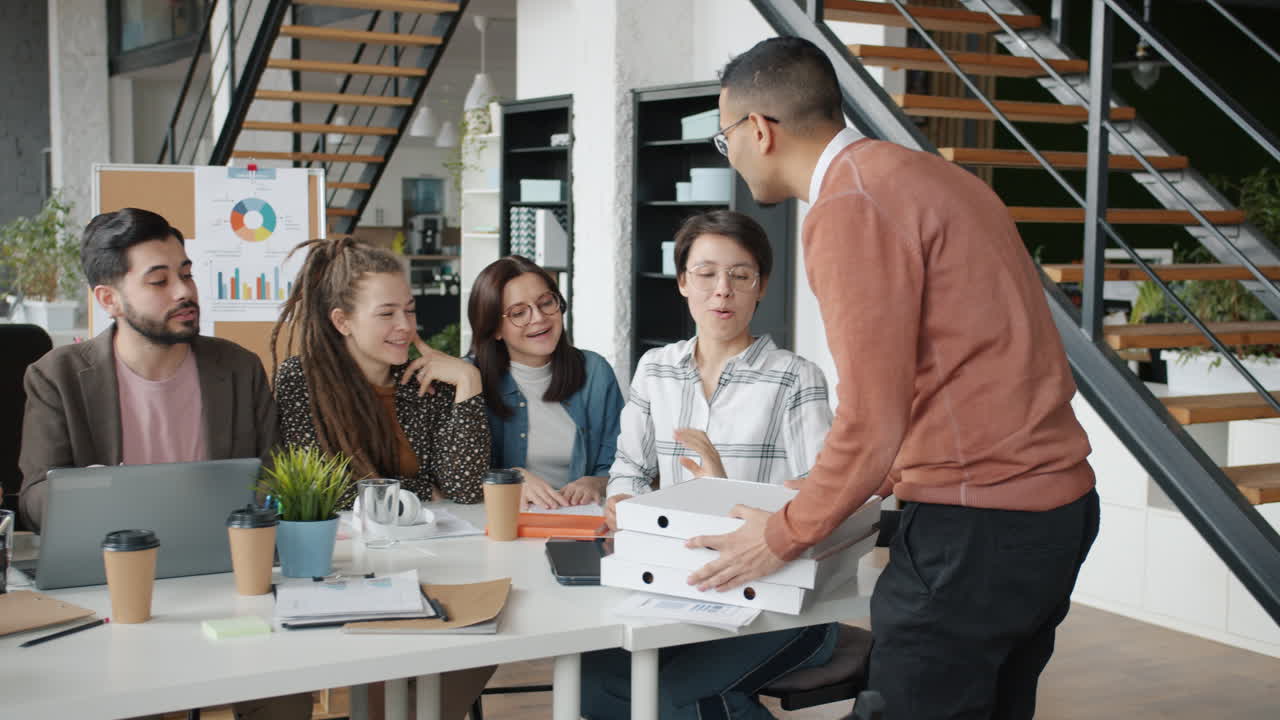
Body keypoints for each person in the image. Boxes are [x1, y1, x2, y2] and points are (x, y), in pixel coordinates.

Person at [688, 37, 1100, 720]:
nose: (727, 152)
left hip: (975, 532)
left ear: (758, 130)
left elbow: (874, 415)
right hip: (1053, 517)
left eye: (723, 135)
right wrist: (821, 489)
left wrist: (785, 532)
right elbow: (957, 371)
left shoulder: (849, 206)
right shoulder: (936, 179)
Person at [17, 207, 312, 719]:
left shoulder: (238, 367)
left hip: (227, 578)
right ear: (109, 299)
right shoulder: (57, 377)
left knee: (287, 689)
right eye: (159, 280)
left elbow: (274, 477)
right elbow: (35, 498)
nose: (184, 291)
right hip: (113, 589)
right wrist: (89, 493)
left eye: (186, 273)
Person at [585, 210, 837, 720]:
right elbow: (629, 469)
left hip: (779, 593)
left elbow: (821, 493)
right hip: (681, 583)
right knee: (597, 681)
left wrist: (724, 492)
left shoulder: (794, 378)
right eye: (706, 274)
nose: (722, 290)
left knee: (673, 695)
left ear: (761, 286)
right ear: (682, 282)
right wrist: (623, 504)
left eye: (740, 276)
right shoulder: (655, 369)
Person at [270, 236, 492, 720]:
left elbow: (464, 488)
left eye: (409, 310)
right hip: (344, 570)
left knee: (485, 630)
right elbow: (326, 492)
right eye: (387, 313)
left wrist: (469, 383)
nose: (406, 327)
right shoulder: (301, 380)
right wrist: (418, 489)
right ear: (342, 321)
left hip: (435, 560)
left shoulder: (425, 381)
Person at [467, 255, 624, 509]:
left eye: (546, 303)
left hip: (576, 522)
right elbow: (457, 475)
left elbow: (620, 463)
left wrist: (596, 483)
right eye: (519, 313)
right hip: (500, 521)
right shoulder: (470, 379)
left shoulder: (594, 371)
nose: (539, 318)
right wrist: (510, 479)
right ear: (494, 328)